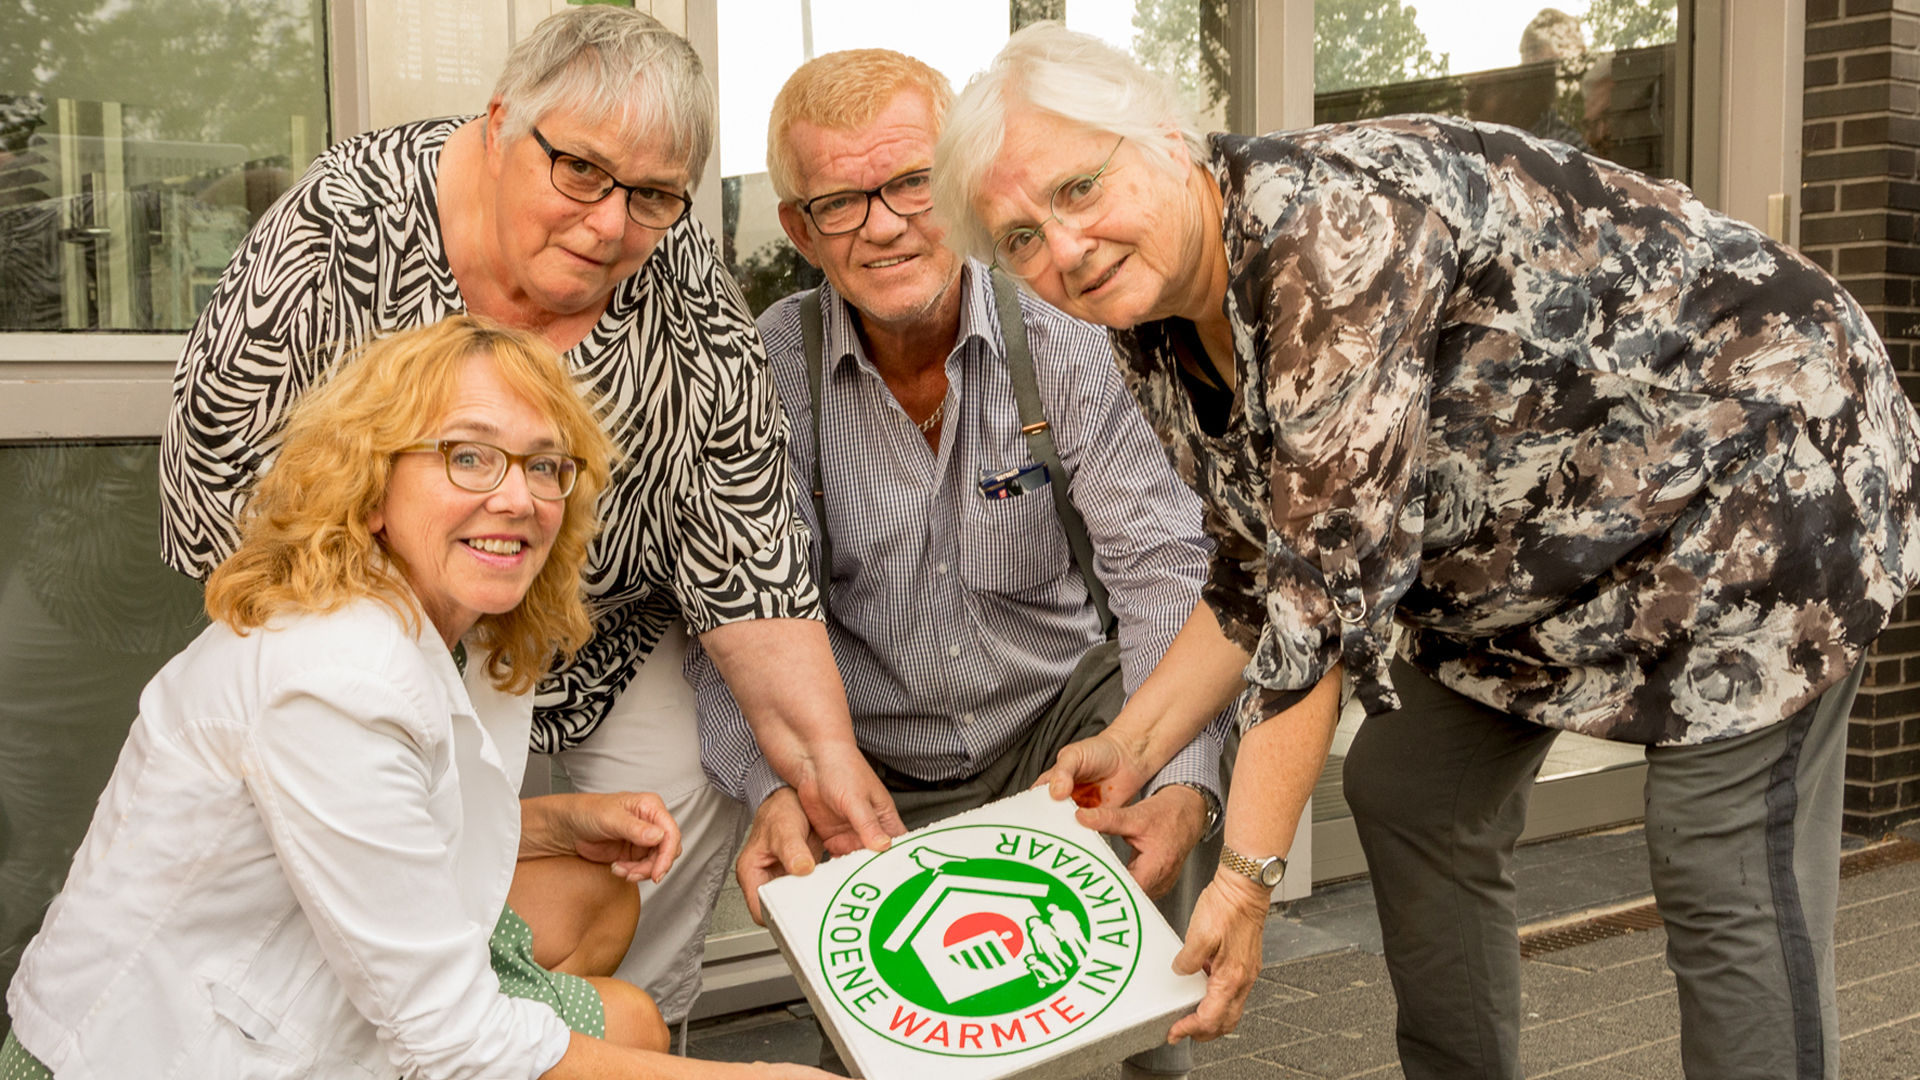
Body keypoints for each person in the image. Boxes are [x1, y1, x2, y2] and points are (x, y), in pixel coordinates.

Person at [933, 22, 1920, 1080]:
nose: (1063, 249)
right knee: (1412, 791)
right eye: (1019, 239)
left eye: (1078, 189)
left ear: (1167, 141)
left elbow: (1319, 598)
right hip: (1541, 543)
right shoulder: (1153, 315)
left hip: (1755, 476)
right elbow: (1253, 568)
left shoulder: (1332, 231)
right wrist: (1131, 749)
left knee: (1717, 863)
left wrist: (1246, 876)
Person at [158, 5, 901, 1028]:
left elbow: (748, 533)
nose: (610, 225)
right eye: (582, 173)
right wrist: (396, 645)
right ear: (503, 122)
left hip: (602, 623)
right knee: (393, 893)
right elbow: (222, 483)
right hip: (379, 625)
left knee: (657, 830)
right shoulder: (346, 223)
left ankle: (617, 1035)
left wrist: (825, 764)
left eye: (652, 197)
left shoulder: (673, 265)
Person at [3, 317, 827, 1080]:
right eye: (469, 455)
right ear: (369, 489)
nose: (518, 497)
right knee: (632, 1028)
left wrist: (553, 824)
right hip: (158, 1053)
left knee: (596, 896)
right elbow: (453, 1037)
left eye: (545, 464)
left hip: (263, 968)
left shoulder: (421, 612)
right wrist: (750, 1078)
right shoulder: (336, 680)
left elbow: (375, 823)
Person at [691, 49, 1228, 1079]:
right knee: (894, 1054)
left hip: (1064, 728)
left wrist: (1181, 778)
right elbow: (723, 621)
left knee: (1127, 1021)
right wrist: (775, 784)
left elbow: (1164, 573)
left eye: (910, 183)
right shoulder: (761, 374)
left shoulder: (1071, 331)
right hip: (868, 772)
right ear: (799, 232)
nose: (885, 224)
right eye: (840, 203)